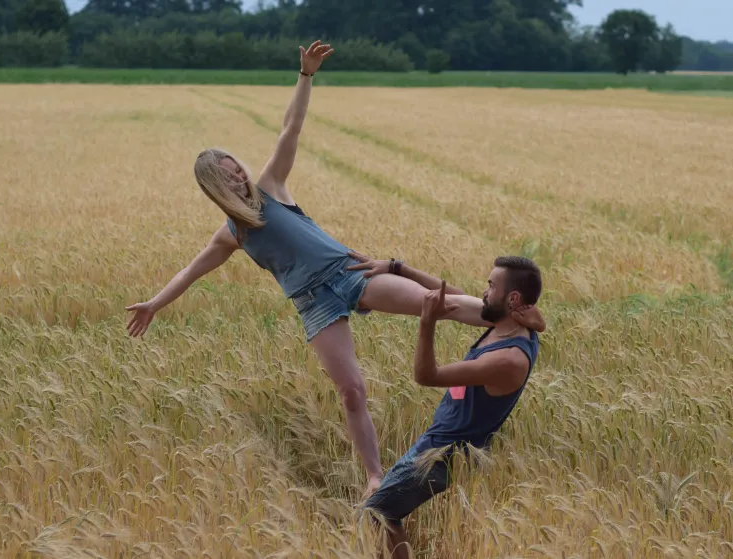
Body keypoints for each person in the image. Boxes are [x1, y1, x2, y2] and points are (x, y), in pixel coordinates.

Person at [124, 39, 546, 498]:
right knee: (351, 391)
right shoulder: (231, 234)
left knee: (440, 304)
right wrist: (153, 304)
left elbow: (291, 129)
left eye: (236, 169)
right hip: (314, 305)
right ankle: (374, 475)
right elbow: (190, 272)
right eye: (227, 177)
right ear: (214, 187)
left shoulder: (270, 188)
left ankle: (516, 321)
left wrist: (305, 75)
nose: (238, 177)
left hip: (350, 274)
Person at [362, 256, 543, 559]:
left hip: (446, 454)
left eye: (490, 286)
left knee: (378, 511)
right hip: (436, 441)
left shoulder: (509, 359)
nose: (484, 292)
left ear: (513, 298)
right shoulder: (502, 320)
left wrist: (427, 321)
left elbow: (426, 375)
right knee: (380, 510)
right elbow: (455, 297)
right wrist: (397, 268)